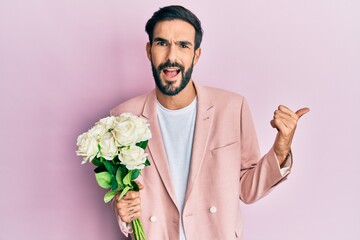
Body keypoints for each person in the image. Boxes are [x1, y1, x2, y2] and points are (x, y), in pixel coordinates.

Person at [110, 5, 309, 240]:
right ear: (149, 50)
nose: (171, 56)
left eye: (183, 45)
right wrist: (122, 210)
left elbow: (247, 189)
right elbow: (125, 196)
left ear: (196, 54)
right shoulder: (122, 118)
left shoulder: (232, 108)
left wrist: (281, 148)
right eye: (162, 43)